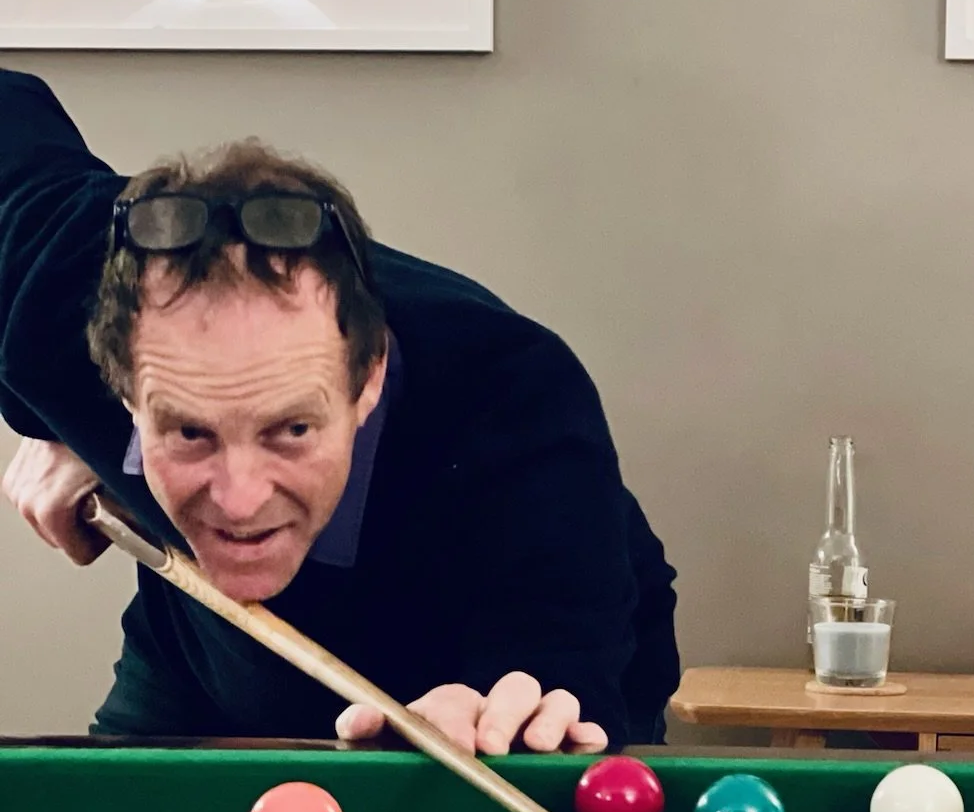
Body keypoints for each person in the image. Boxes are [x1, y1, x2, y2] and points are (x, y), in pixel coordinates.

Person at [0, 70, 677, 751]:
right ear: (122, 390)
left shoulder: (517, 409)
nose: (239, 502)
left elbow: (558, 669)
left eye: (291, 430)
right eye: (189, 431)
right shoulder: (43, 298)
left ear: (368, 381)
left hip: (459, 666)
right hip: (200, 654)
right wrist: (60, 427)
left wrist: (509, 718)